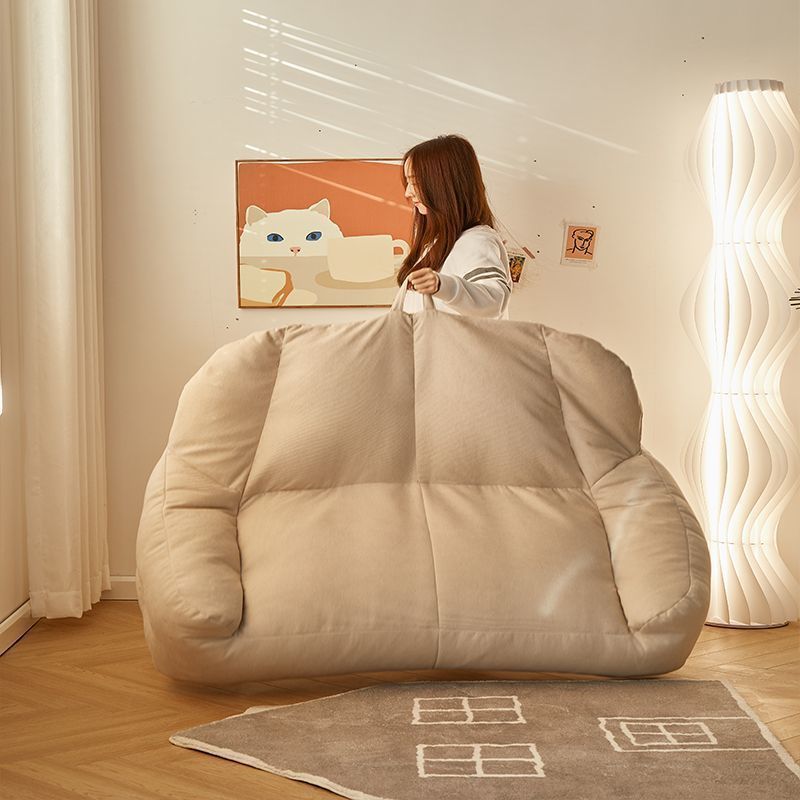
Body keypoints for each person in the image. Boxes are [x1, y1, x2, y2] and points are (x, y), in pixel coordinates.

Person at [396, 134, 513, 320]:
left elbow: (493, 301)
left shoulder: (476, 241)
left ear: (443, 184)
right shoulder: (437, 244)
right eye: (407, 182)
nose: (407, 192)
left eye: (415, 182)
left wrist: (443, 286)